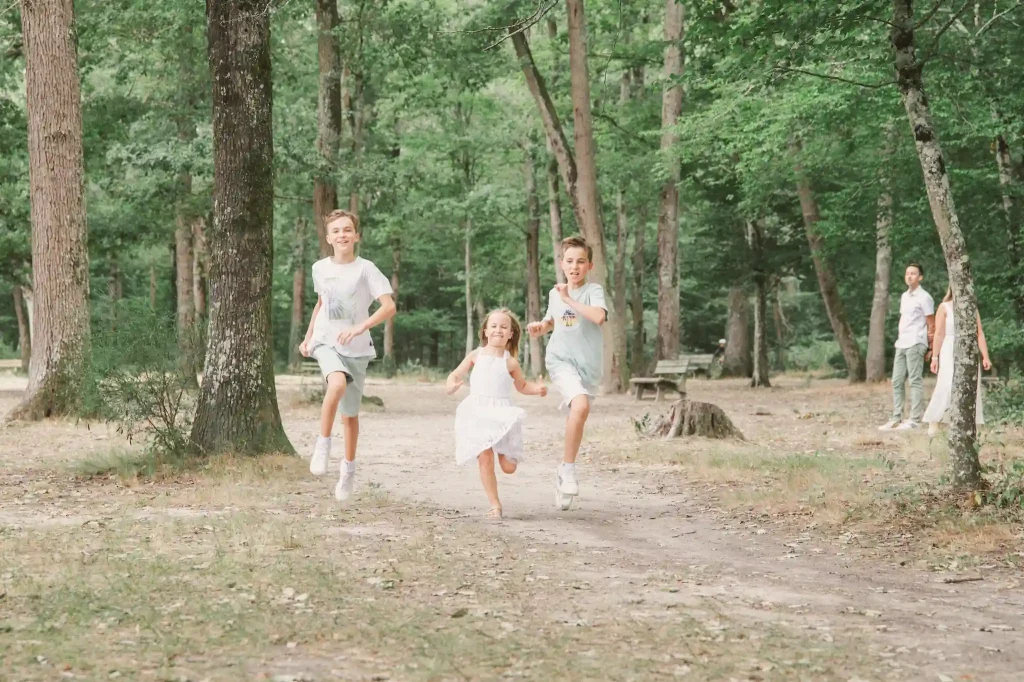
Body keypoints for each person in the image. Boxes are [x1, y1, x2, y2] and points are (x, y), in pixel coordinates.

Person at [299, 209, 396, 502]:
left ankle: (348, 471)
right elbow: (320, 304)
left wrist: (360, 327)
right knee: (336, 384)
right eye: (336, 231)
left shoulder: (366, 269)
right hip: (326, 340)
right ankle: (323, 443)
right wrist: (308, 337)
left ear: (356, 236)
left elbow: (388, 307)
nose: (342, 235)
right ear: (328, 238)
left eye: (347, 230)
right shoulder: (319, 268)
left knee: (350, 416)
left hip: (356, 346)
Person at [527, 235, 607, 510]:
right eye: (570, 261)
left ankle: (563, 469)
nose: (575, 267)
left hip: (589, 365)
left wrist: (567, 298)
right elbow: (554, 320)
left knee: (580, 413)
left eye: (581, 262)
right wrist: (542, 326)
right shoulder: (555, 293)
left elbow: (598, 317)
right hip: (560, 360)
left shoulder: (593, 291)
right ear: (562, 264)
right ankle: (569, 469)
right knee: (581, 405)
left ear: (589, 265)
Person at [447, 308, 547, 520]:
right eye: (493, 326)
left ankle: (507, 451)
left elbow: (521, 386)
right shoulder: (476, 355)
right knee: (484, 459)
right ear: (485, 331)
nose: (498, 330)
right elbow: (455, 373)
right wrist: (452, 383)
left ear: (511, 333)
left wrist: (537, 390)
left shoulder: (510, 362)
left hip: (501, 413)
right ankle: (495, 505)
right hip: (477, 412)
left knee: (509, 468)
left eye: (504, 327)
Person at [923, 287, 992, 437]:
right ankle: (935, 419)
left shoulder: (971, 307)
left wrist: (985, 356)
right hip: (949, 348)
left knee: (969, 384)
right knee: (947, 384)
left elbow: (979, 333)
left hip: (969, 349)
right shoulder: (944, 307)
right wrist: (935, 357)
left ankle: (968, 424)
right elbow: (939, 334)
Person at [879, 263, 935, 431]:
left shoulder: (925, 297)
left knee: (914, 380)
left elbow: (931, 324)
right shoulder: (904, 296)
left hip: (916, 342)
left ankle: (915, 419)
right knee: (896, 380)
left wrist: (931, 347)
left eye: (913, 273)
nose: (909, 276)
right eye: (907, 273)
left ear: (920, 277)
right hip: (902, 342)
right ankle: (896, 417)